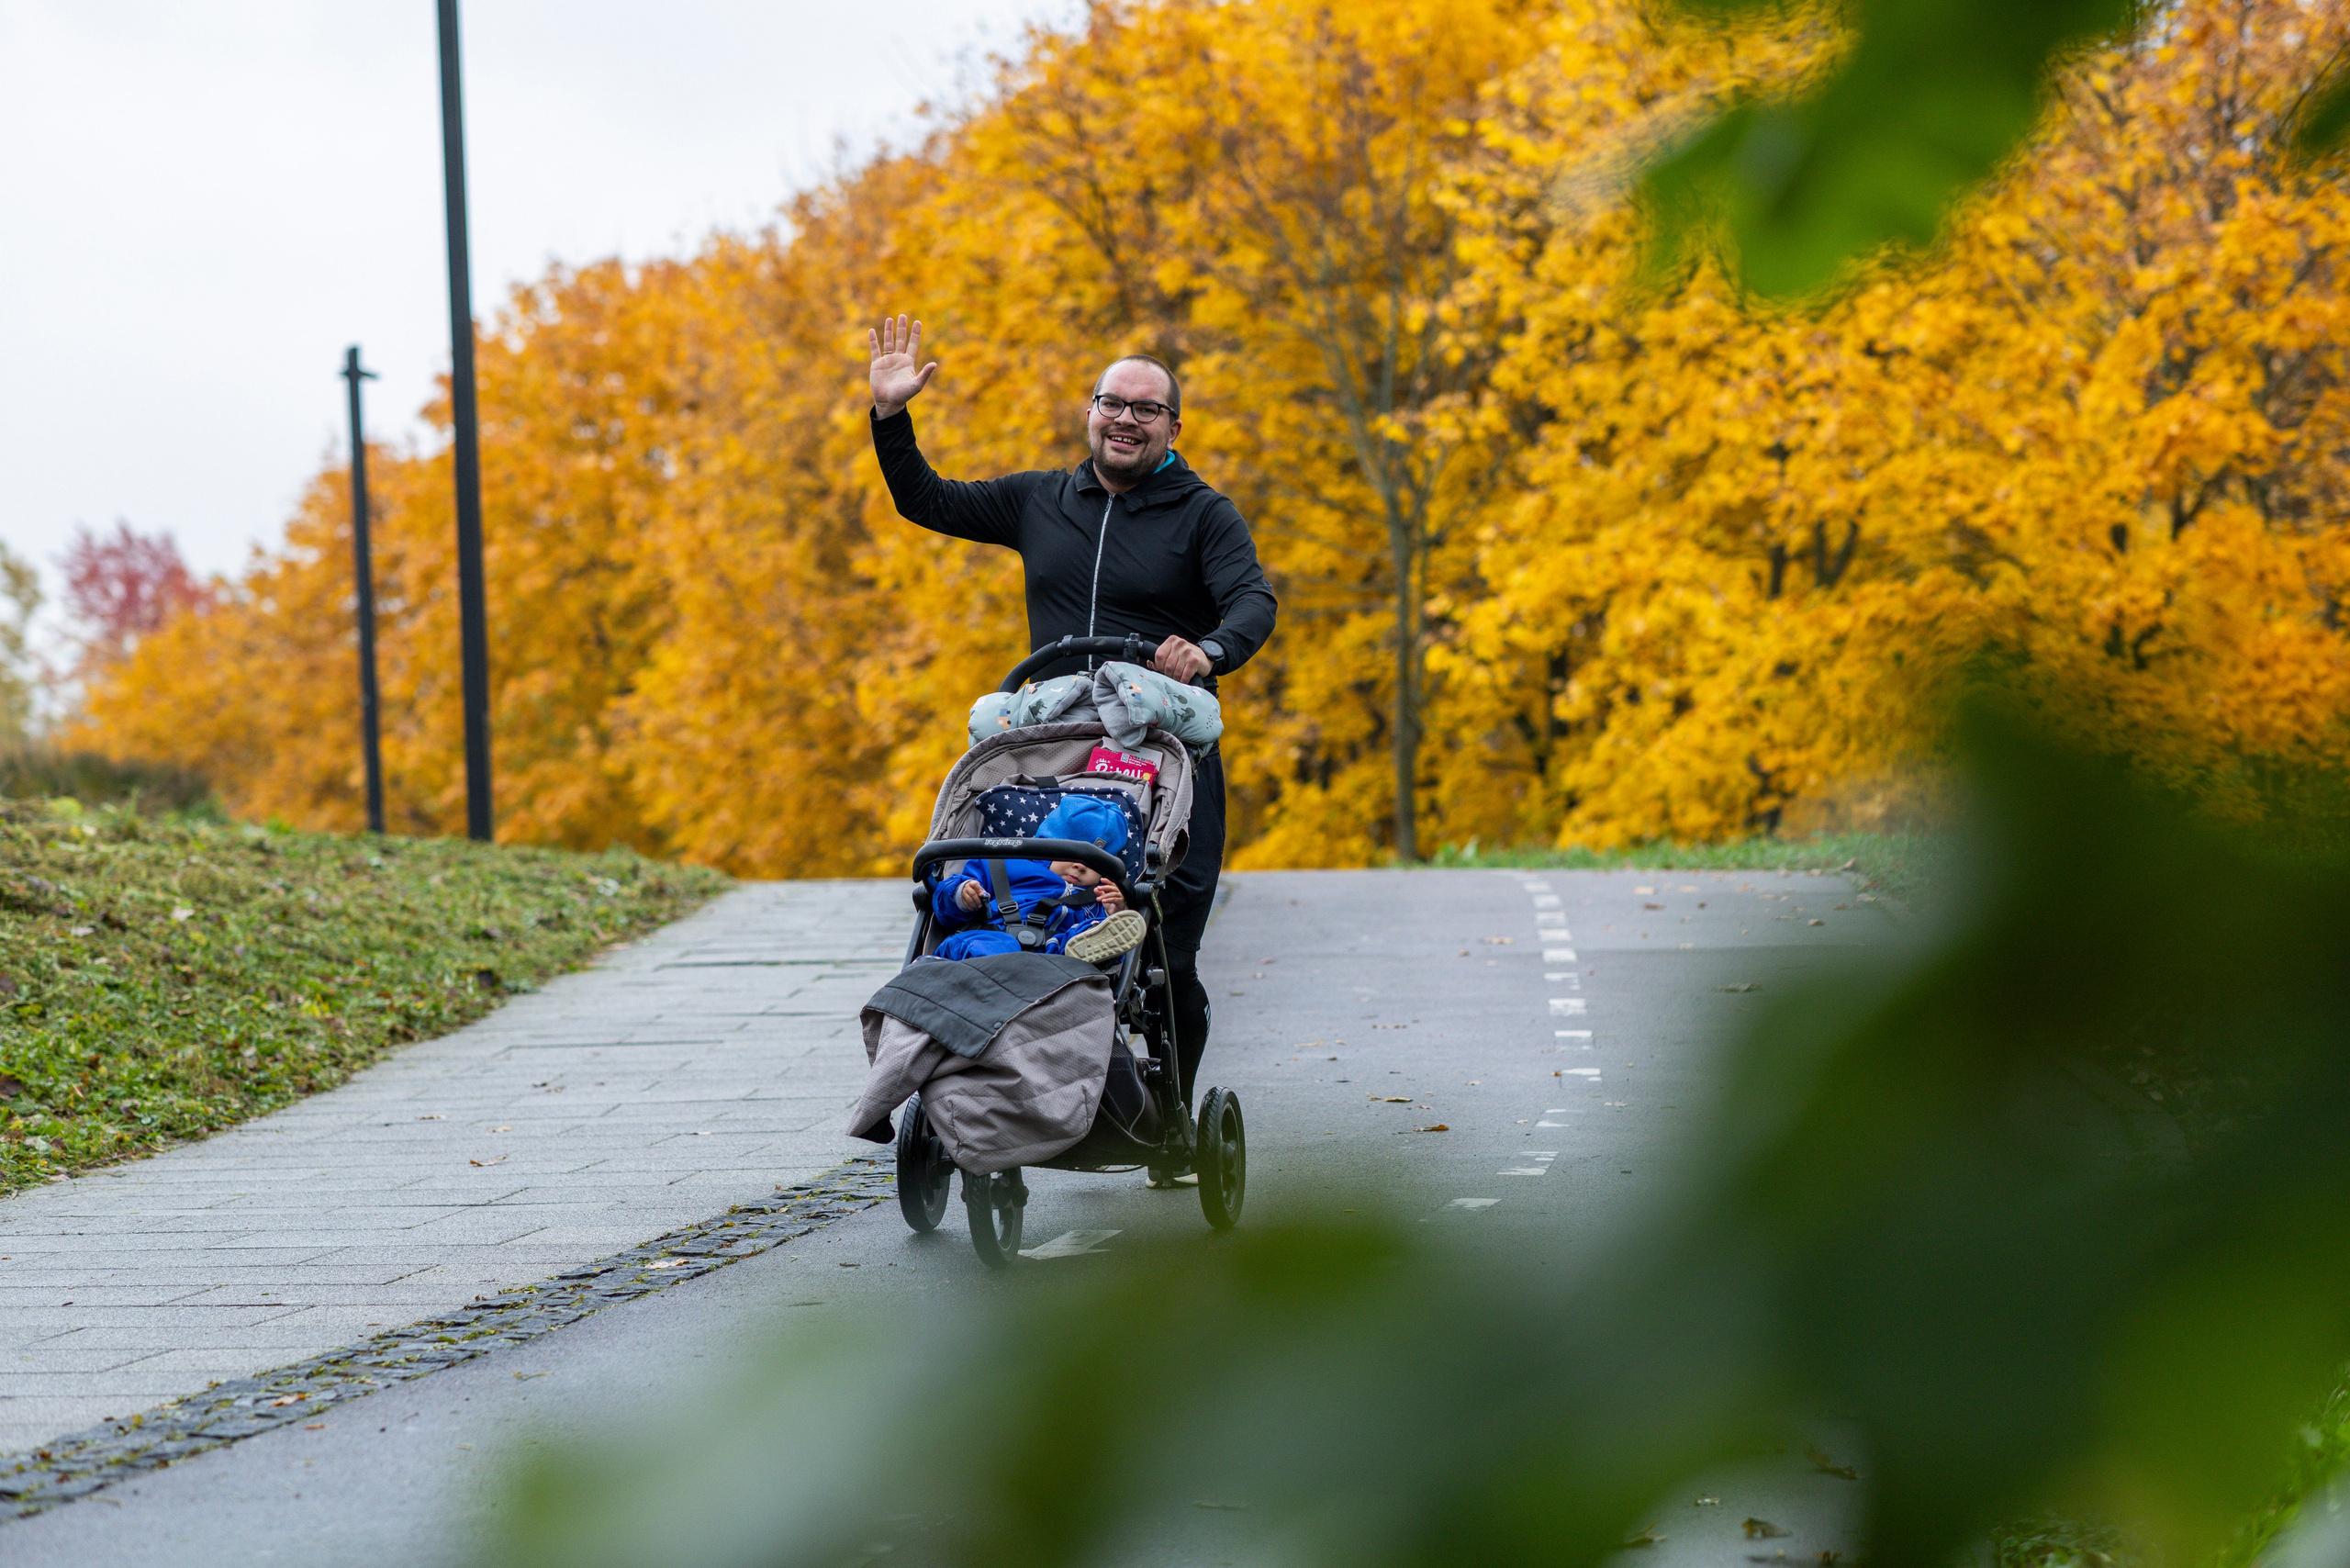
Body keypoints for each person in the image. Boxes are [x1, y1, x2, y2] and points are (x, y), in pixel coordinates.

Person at [867, 314, 1277, 1120]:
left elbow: (1253, 600)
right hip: (1051, 751)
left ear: (1172, 427)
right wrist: (891, 414)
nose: (1124, 418)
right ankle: (1005, 1091)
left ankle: (1171, 1112)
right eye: (1110, 403)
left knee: (1170, 959)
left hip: (1164, 762)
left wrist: (1211, 652)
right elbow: (925, 499)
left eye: (1145, 409)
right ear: (1089, 412)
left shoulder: (1204, 515)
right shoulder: (1041, 500)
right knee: (1023, 913)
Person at [930, 797, 1146, 964]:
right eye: (1070, 854)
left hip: (1053, 955)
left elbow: (1111, 921)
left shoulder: (1098, 896)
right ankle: (1013, 969)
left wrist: (1115, 911)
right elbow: (944, 908)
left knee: (1086, 934)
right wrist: (962, 894)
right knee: (992, 945)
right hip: (990, 938)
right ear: (1045, 843)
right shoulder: (1001, 863)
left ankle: (1090, 945)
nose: (1080, 866)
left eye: (1093, 863)